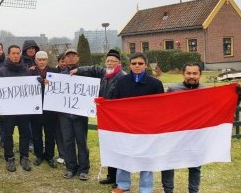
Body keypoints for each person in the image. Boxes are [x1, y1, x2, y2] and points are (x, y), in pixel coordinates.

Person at [71, 49, 126, 187]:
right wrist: (78, 70)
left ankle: (119, 179)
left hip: (117, 117)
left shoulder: (122, 77)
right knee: (108, 146)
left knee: (118, 147)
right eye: (108, 61)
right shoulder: (104, 73)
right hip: (104, 116)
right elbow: (93, 68)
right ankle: (111, 175)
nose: (110, 63)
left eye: (113, 61)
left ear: (118, 62)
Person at [111, 52, 164, 193]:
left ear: (146, 65)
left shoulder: (155, 84)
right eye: (134, 63)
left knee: (146, 157)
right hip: (125, 126)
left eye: (140, 63)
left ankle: (146, 188)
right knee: (123, 155)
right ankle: (122, 185)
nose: (137, 66)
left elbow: (160, 107)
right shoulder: (121, 82)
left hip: (146, 128)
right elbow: (114, 102)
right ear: (129, 65)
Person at [160, 63, 206, 193]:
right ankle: (168, 191)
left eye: (195, 73)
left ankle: (193, 191)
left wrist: (237, 95)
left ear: (200, 75)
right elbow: (162, 108)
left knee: (195, 166)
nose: (191, 76)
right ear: (183, 74)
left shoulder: (206, 91)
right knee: (168, 163)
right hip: (174, 134)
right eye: (188, 73)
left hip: (196, 135)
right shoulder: (173, 89)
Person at [0, 45, 32, 172]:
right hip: (8, 111)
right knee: (8, 135)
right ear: (9, 55)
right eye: (13, 53)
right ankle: (9, 158)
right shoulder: (1, 71)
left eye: (18, 53)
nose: (16, 55)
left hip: (23, 110)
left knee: (25, 134)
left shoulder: (27, 70)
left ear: (20, 54)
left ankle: (24, 157)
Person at [59, 49, 90, 181]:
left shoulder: (86, 74)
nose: (71, 58)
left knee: (82, 142)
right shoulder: (59, 76)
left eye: (73, 56)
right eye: (68, 56)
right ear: (64, 60)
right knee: (67, 142)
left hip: (80, 115)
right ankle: (70, 167)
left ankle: (83, 169)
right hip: (65, 115)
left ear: (78, 58)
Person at [29, 51, 58, 168]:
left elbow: (59, 87)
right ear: (36, 60)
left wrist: (51, 84)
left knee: (50, 134)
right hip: (35, 108)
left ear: (47, 60)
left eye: (44, 59)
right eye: (39, 59)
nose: (42, 61)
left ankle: (50, 156)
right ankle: (39, 155)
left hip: (50, 109)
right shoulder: (30, 72)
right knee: (36, 134)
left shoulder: (54, 72)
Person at [54, 53, 67, 164]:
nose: (64, 63)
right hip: (56, 110)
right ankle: (62, 154)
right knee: (58, 132)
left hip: (68, 109)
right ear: (58, 62)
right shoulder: (52, 73)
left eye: (65, 61)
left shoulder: (74, 72)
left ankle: (70, 154)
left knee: (68, 134)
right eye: (62, 61)